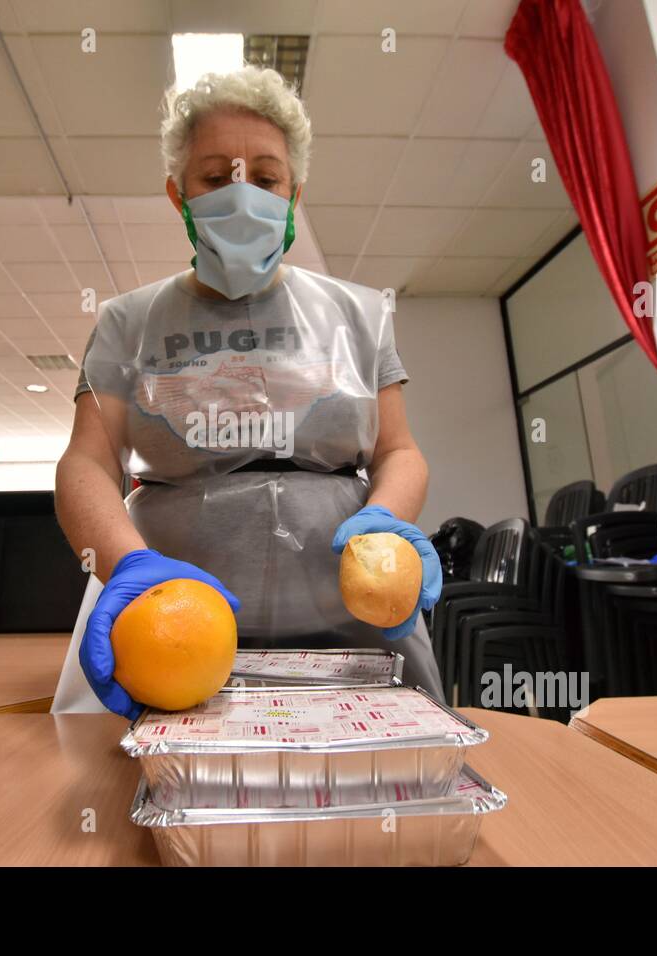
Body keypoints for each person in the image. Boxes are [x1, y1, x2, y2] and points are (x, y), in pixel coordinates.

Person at [54, 65, 444, 718]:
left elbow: (399, 450)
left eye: (265, 179)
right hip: (174, 626)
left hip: (351, 624)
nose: (243, 197)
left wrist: (389, 520)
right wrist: (125, 564)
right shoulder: (128, 322)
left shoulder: (359, 314)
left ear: (294, 194)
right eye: (215, 177)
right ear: (179, 194)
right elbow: (89, 461)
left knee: (369, 786)